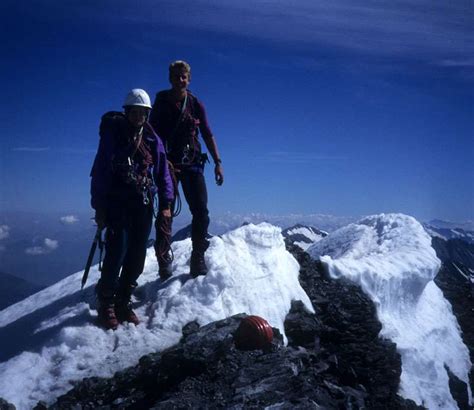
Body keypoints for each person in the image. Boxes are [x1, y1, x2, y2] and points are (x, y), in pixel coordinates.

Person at [90, 89, 174, 330]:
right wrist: (100, 207)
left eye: (143, 112)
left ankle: (123, 301)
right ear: (127, 112)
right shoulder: (113, 136)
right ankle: (106, 302)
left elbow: (162, 172)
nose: (139, 116)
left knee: (137, 255)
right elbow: (101, 172)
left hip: (143, 204)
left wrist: (166, 203)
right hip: (118, 205)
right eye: (135, 112)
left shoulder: (151, 138)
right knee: (117, 252)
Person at [150, 60, 224, 279]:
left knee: (201, 211)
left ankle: (197, 257)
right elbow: (152, 135)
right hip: (167, 166)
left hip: (192, 163)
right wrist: (159, 161)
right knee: (166, 212)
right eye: (176, 76)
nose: (180, 80)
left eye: (183, 76)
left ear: (188, 79)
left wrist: (218, 162)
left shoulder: (195, 104)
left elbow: (208, 134)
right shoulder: (161, 102)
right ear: (170, 78)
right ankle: (163, 259)